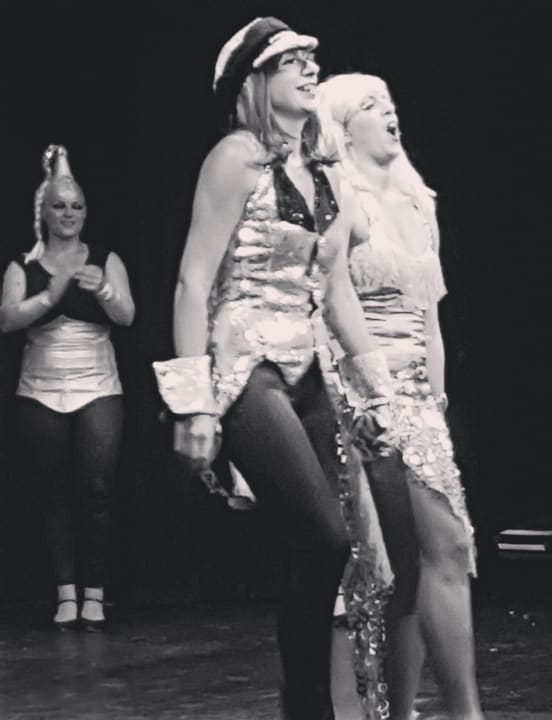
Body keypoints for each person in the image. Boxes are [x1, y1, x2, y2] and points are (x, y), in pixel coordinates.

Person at [152, 19, 394, 720]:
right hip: (245, 361)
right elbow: (193, 282)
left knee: (318, 552)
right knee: (324, 536)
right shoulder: (235, 158)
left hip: (307, 358)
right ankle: (308, 705)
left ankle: (307, 704)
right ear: (255, 81)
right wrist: (194, 402)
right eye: (292, 61)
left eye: (313, 59)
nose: (310, 69)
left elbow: (336, 292)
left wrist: (376, 390)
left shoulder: (321, 169)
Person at [317, 74, 485, 720]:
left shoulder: (418, 202)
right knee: (385, 566)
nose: (388, 113)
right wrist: (354, 399)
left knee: (436, 556)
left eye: (389, 103)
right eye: (370, 105)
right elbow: (325, 305)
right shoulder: (340, 199)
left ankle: (413, 710)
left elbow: (429, 319)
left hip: (417, 398)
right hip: (362, 396)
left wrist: (436, 403)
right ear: (342, 127)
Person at [0, 144, 135, 632]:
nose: (69, 213)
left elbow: (127, 315)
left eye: (77, 206)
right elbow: (7, 319)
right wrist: (50, 295)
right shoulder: (23, 265)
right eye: (59, 205)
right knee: (52, 491)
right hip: (40, 389)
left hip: (97, 386)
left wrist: (103, 289)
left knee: (97, 491)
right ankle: (65, 593)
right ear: (44, 212)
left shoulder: (104, 259)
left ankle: (95, 593)